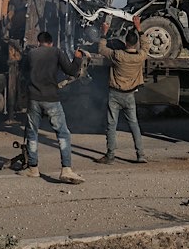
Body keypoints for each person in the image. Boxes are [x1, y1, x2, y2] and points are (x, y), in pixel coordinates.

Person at [20, 31, 86, 184]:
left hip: (34, 99)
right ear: (51, 42)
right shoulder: (56, 52)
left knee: (32, 133)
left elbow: (23, 73)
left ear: (38, 42)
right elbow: (71, 71)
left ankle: (33, 168)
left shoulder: (31, 54)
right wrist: (77, 58)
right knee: (62, 133)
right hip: (51, 98)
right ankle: (66, 168)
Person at [95, 15, 149, 164]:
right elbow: (146, 46)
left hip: (115, 94)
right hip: (130, 95)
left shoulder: (117, 55)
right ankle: (140, 155)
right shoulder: (140, 57)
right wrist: (139, 28)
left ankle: (110, 155)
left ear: (125, 43)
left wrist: (104, 33)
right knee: (134, 125)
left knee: (111, 126)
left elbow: (101, 49)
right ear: (135, 43)